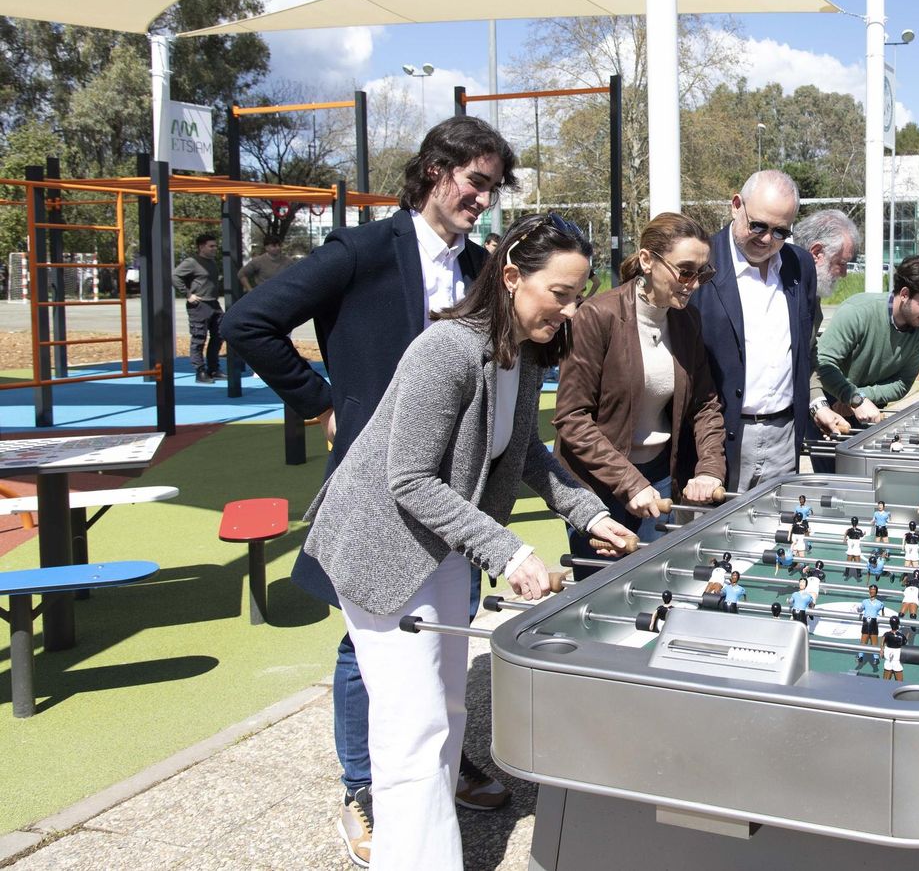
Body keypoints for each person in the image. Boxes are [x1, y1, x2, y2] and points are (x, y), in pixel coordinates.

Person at [222, 116, 545, 863]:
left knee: (444, 635)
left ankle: (434, 761)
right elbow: (251, 322)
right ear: (435, 170)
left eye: (494, 189)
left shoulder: (482, 270)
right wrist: (326, 403)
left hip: (452, 490)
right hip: (382, 484)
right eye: (475, 183)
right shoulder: (364, 250)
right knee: (364, 642)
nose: (483, 200)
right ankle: (365, 787)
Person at [298, 213, 636, 871]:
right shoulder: (445, 349)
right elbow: (410, 480)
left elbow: (523, 453)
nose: (568, 312)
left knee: (445, 715)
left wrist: (588, 513)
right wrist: (509, 551)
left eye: (577, 296)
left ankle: (423, 839)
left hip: (443, 547)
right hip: (382, 550)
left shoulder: (523, 350)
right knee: (413, 734)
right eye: (558, 295)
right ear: (511, 277)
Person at [554, 212, 725, 566]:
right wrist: (630, 482)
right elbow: (572, 417)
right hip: (596, 486)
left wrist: (709, 468)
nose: (692, 284)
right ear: (647, 260)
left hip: (659, 477)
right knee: (601, 602)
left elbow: (705, 405)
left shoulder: (686, 319)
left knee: (653, 586)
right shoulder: (597, 316)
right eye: (685, 270)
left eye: (702, 273)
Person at [691, 171, 820, 490]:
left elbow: (804, 346)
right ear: (736, 205)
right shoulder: (699, 261)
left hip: (785, 437)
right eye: (758, 225)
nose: (766, 240)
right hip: (717, 439)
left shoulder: (799, 265)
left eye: (780, 232)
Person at [810, 255, 919, 453]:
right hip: (829, 406)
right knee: (831, 479)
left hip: (868, 408)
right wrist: (851, 398)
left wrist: (860, 398)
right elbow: (822, 364)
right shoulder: (858, 312)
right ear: (904, 294)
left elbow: (902, 384)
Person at [173, 231, 223, 383]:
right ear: (201, 247)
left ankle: (213, 369)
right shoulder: (192, 262)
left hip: (214, 303)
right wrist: (188, 294)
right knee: (199, 338)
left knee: (219, 336)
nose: (215, 249)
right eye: (211, 246)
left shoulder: (212, 262)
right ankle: (200, 371)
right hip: (199, 305)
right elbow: (175, 276)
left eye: (215, 246)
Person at [791, 207, 859, 300]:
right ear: (816, 253)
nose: (844, 274)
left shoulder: (808, 290)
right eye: (842, 263)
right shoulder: (783, 289)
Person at [856, 584, 885, 670]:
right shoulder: (864, 601)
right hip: (865, 622)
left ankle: (876, 658)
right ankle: (860, 656)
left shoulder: (880, 604)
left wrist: (881, 617)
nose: (872, 591)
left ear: (876, 591)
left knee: (874, 641)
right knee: (863, 640)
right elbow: (860, 609)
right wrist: (858, 609)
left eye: (873, 590)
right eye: (870, 590)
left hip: (874, 623)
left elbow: (883, 614)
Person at [881, 615, 906, 681]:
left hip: (890, 659)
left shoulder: (886, 634)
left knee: (885, 682)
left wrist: (882, 650)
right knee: (899, 683)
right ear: (898, 624)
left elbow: (882, 642)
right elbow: (904, 643)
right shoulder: (902, 636)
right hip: (895, 660)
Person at [843, 515, 865, 580]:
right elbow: (861, 535)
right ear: (857, 523)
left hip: (850, 544)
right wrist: (864, 534)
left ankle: (847, 572)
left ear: (851, 522)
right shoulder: (859, 530)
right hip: (856, 545)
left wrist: (844, 538)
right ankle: (858, 573)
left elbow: (845, 535)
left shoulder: (849, 530)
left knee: (849, 558)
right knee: (857, 558)